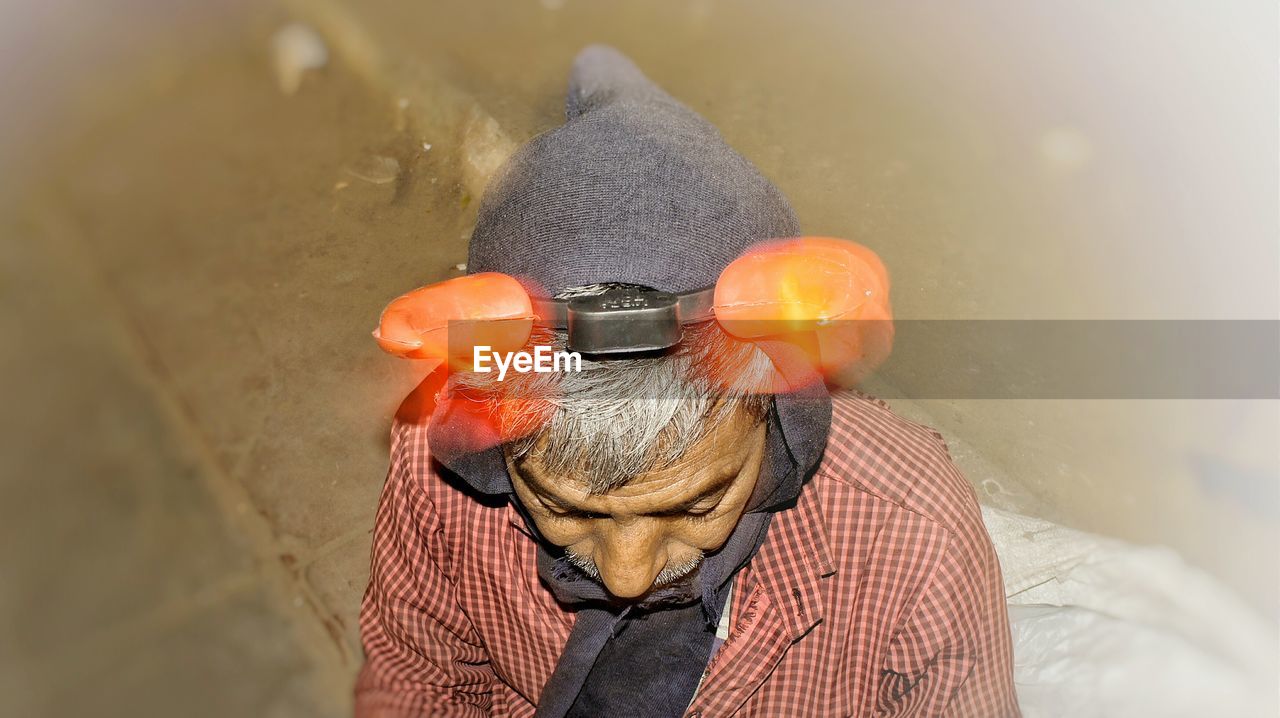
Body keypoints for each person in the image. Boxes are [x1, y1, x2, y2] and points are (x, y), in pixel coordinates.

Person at [356, 45, 1019, 717]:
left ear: (781, 410)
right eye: (568, 510)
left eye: (696, 506)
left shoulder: (915, 538)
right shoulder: (432, 465)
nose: (627, 574)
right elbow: (416, 679)